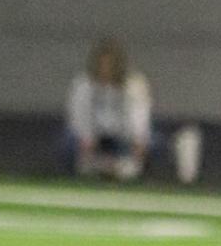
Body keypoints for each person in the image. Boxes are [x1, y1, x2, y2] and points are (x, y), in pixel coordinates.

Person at [62, 40, 153, 183]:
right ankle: (85, 171)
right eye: (102, 65)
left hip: (122, 137)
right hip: (95, 136)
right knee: (68, 141)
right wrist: (86, 139)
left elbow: (140, 115)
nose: (106, 70)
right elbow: (78, 115)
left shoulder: (134, 84)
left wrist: (138, 141)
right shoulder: (83, 84)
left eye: (110, 65)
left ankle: (129, 171)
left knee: (154, 142)